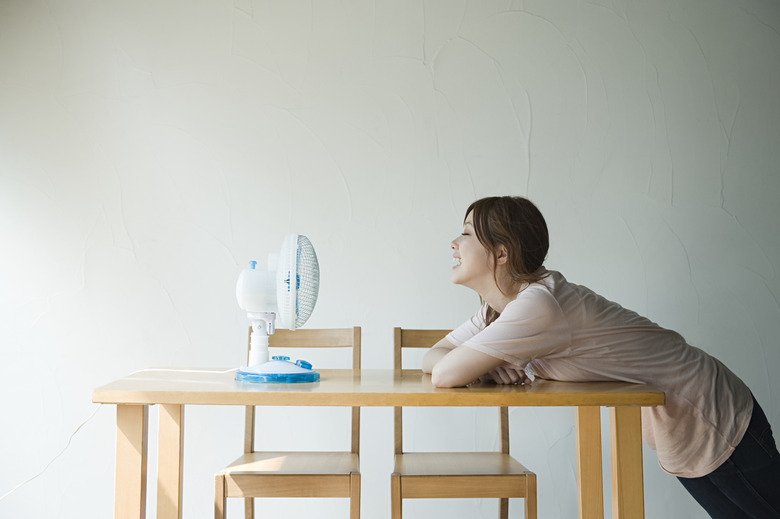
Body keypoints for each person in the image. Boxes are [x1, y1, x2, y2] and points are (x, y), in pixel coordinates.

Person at [422, 195, 780, 518]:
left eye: (466, 233)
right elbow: (433, 359)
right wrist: (484, 366)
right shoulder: (498, 310)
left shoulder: (538, 304)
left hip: (712, 414)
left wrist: (481, 366)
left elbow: (444, 374)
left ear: (501, 253)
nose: (454, 244)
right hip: (683, 426)